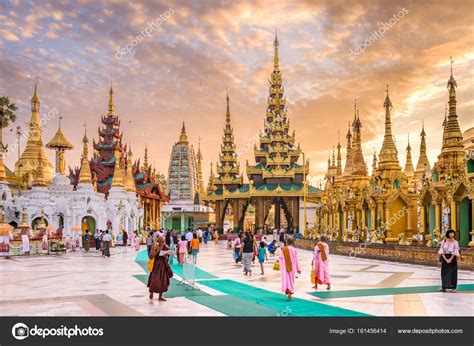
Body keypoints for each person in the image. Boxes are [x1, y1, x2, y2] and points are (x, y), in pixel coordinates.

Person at [147, 236, 173, 301]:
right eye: (161, 242)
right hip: (156, 266)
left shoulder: (165, 247)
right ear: (158, 242)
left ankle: (160, 296)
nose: (162, 243)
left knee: (163, 281)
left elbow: (167, 256)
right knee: (154, 280)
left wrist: (165, 255)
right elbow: (150, 256)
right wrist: (157, 251)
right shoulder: (154, 247)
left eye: (163, 242)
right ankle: (151, 292)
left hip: (163, 266)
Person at [278, 237, 301, 301]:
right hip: (292, 268)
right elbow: (297, 260)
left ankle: (289, 293)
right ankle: (290, 294)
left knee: (287, 280)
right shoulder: (294, 250)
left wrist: (280, 263)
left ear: (287, 242)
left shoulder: (284, 249)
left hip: (285, 267)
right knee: (291, 281)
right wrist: (298, 269)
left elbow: (280, 258)